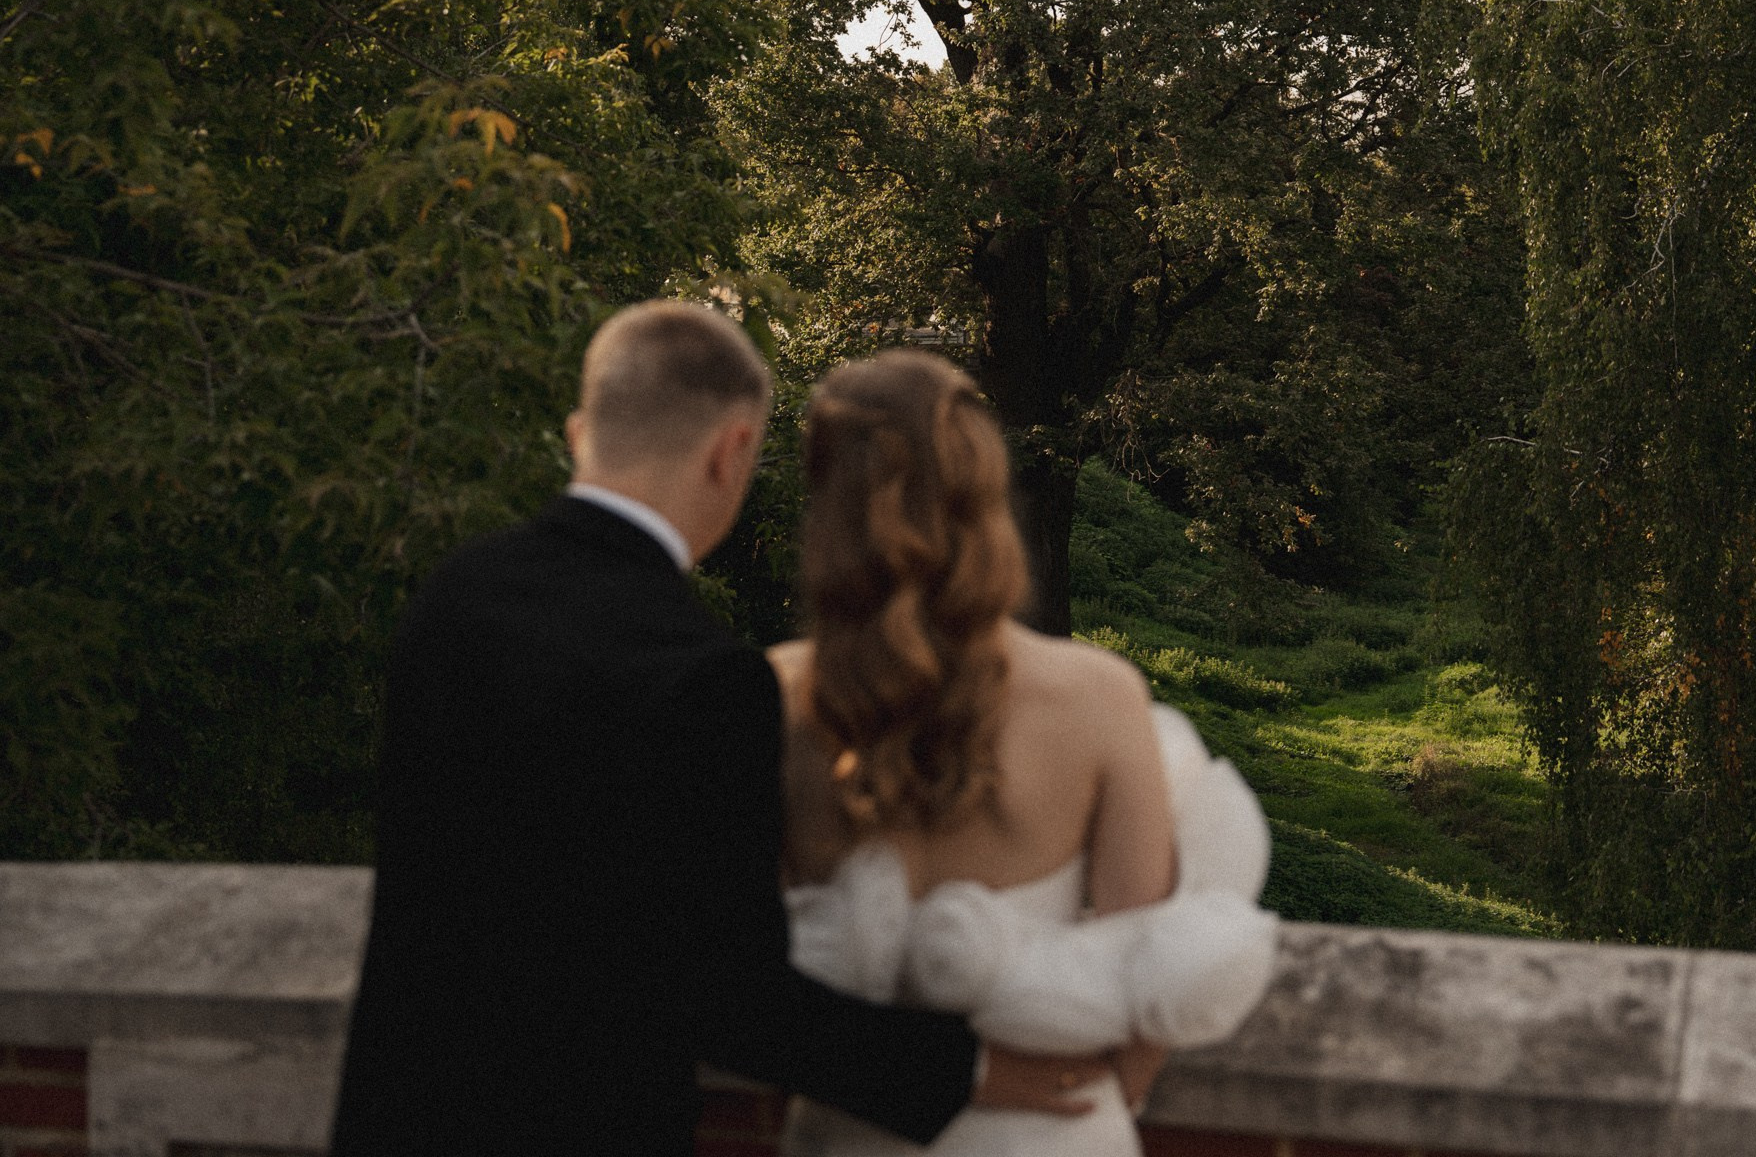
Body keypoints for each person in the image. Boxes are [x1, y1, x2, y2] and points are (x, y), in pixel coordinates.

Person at [332, 303, 1110, 1157]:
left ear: (580, 431)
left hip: (395, 1121)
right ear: (732, 450)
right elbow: (731, 998)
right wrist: (970, 1071)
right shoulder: (708, 677)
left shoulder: (453, 598)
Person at [769, 350, 1279, 1157]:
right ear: (987, 495)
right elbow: (1147, 977)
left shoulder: (771, 699)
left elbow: (744, 987)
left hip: (852, 1131)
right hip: (1050, 1129)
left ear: (827, 503)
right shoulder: (1099, 696)